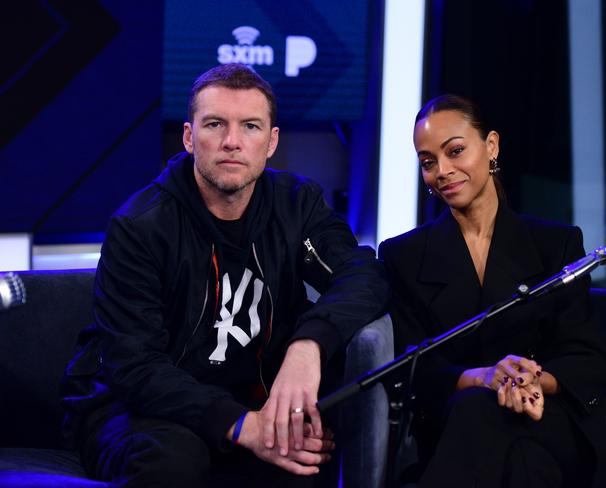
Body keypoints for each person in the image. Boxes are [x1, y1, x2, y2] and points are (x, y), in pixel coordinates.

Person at [61, 63, 389, 487]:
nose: (232, 142)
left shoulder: (296, 205)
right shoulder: (141, 225)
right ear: (188, 136)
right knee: (174, 460)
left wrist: (308, 345)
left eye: (250, 126)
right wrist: (244, 427)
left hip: (247, 400)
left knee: (306, 457)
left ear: (271, 142)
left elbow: (364, 274)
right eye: (215, 124)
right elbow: (134, 367)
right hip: (136, 409)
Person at [378, 94, 606, 487]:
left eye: (455, 151)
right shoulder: (403, 256)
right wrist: (484, 378)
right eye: (428, 162)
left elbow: (587, 359)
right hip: (464, 427)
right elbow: (413, 369)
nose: (443, 171)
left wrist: (532, 381)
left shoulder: (557, 244)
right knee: (509, 447)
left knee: (491, 424)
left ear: (491, 146)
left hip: (554, 417)